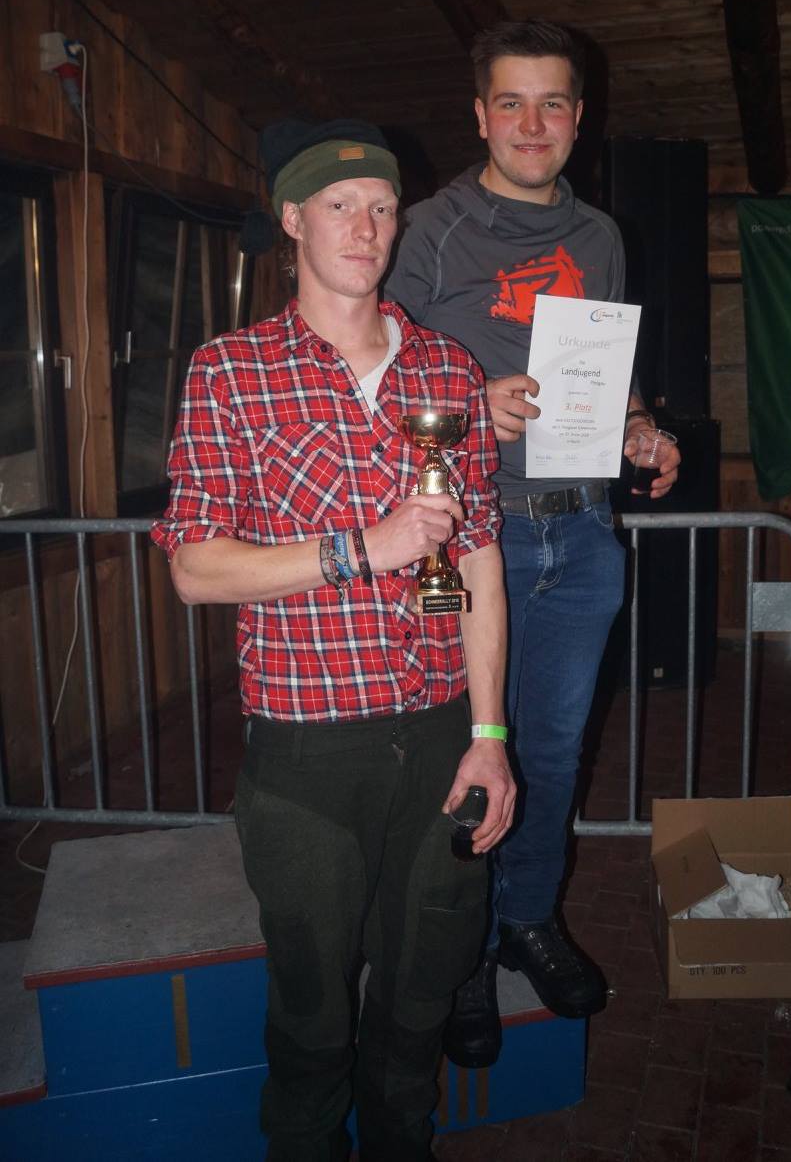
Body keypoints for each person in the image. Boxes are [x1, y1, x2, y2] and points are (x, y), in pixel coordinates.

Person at [151, 117, 516, 1162]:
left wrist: (490, 734)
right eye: (341, 205)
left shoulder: (447, 369)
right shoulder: (230, 372)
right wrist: (363, 548)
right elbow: (195, 567)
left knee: (419, 997)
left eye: (383, 207)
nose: (366, 227)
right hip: (307, 751)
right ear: (292, 220)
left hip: (441, 733)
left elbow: (481, 563)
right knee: (312, 1015)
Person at [385, 19, 680, 1068]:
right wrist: (471, 406)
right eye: (509, 102)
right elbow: (369, 380)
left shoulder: (600, 236)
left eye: (552, 102)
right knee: (471, 752)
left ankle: (527, 919)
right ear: (479, 115)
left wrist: (640, 427)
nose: (531, 123)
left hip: (584, 532)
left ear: (578, 117)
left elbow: (611, 374)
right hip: (475, 535)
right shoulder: (427, 229)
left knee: (553, 753)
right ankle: (461, 952)